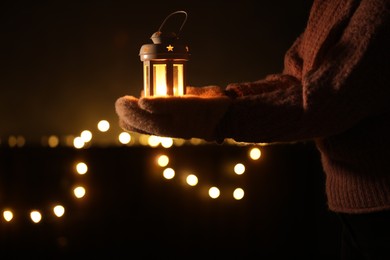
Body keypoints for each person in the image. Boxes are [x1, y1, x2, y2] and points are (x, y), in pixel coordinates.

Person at [115, 0, 390, 259]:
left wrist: (214, 117)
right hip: (351, 210)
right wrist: (216, 100)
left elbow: (329, 99)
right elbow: (296, 79)